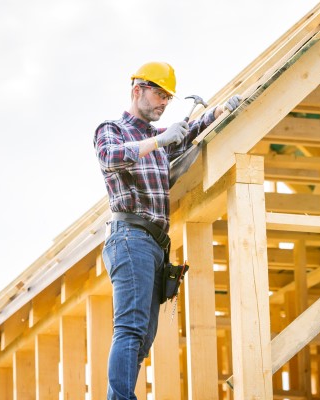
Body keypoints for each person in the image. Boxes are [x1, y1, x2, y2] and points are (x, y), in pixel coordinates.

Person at [93, 61, 240, 400]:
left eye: (168, 98)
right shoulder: (112, 129)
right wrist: (158, 142)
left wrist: (218, 110)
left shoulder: (156, 138)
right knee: (130, 328)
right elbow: (110, 157)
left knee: (144, 335)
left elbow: (187, 133)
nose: (163, 103)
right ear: (137, 90)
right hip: (130, 237)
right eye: (158, 94)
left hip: (154, 244)